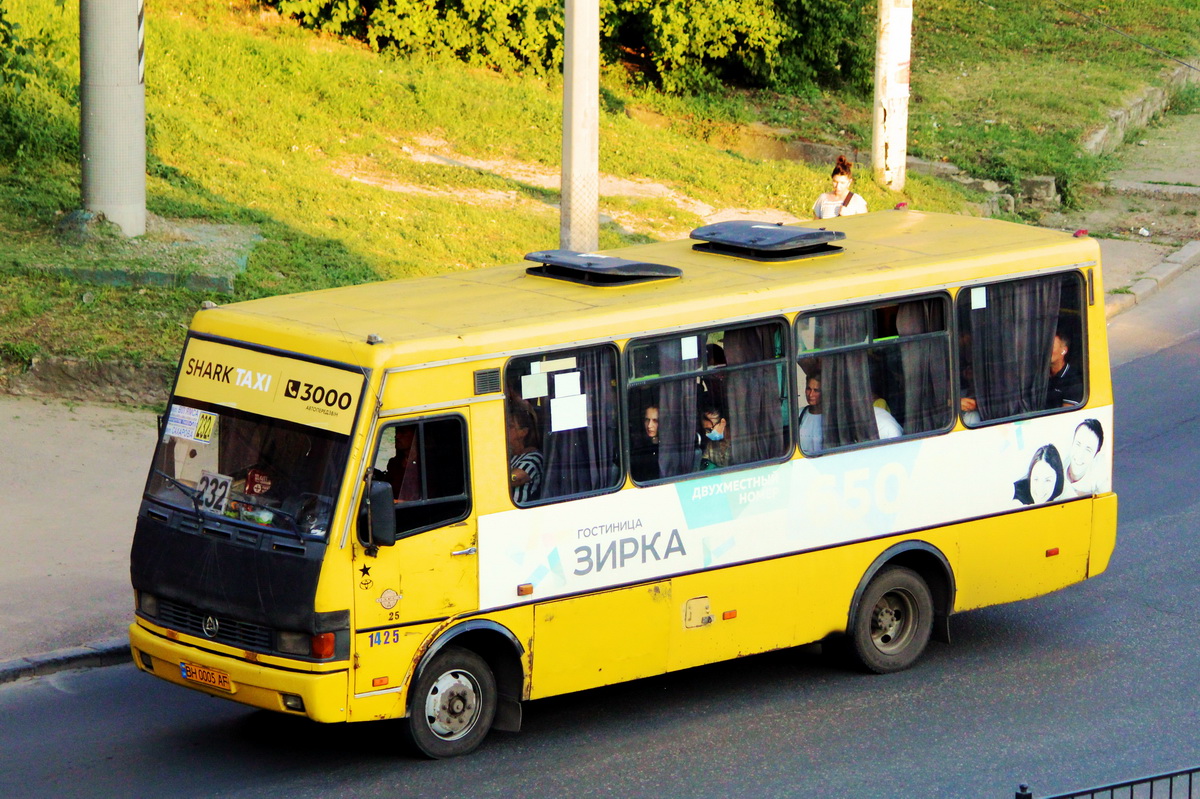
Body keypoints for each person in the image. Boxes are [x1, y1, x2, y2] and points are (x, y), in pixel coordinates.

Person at [507, 401, 543, 503]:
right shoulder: (508, 457)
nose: (505, 429)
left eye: (510, 426)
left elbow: (516, 478)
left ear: (523, 432)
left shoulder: (534, 457)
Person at [812, 155, 868, 220]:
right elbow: (815, 224)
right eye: (835, 182)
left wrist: (849, 217)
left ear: (849, 182)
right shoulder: (823, 198)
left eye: (842, 183)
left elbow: (864, 224)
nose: (838, 186)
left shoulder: (857, 200)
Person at [1045, 329, 1083, 409]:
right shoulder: (1041, 376)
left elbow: (1066, 414)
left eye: (1052, 347)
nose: (1047, 351)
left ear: (1064, 350)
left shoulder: (1073, 380)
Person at [1066, 418, 1104, 497]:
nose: (1080, 455)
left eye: (1088, 450)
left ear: (1095, 455)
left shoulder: (1099, 483)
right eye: (1078, 444)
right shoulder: (1056, 464)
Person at [385, 424, 421, 501]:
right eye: (396, 432)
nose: (397, 436)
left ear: (415, 436)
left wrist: (392, 502)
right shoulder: (394, 463)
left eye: (403, 432)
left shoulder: (424, 466)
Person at [631, 404, 660, 481]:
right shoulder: (637, 445)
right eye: (647, 420)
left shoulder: (667, 446)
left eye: (655, 421)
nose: (649, 425)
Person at [798, 375, 825, 455]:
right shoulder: (799, 413)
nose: (810, 394)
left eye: (816, 390)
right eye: (808, 389)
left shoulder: (830, 417)